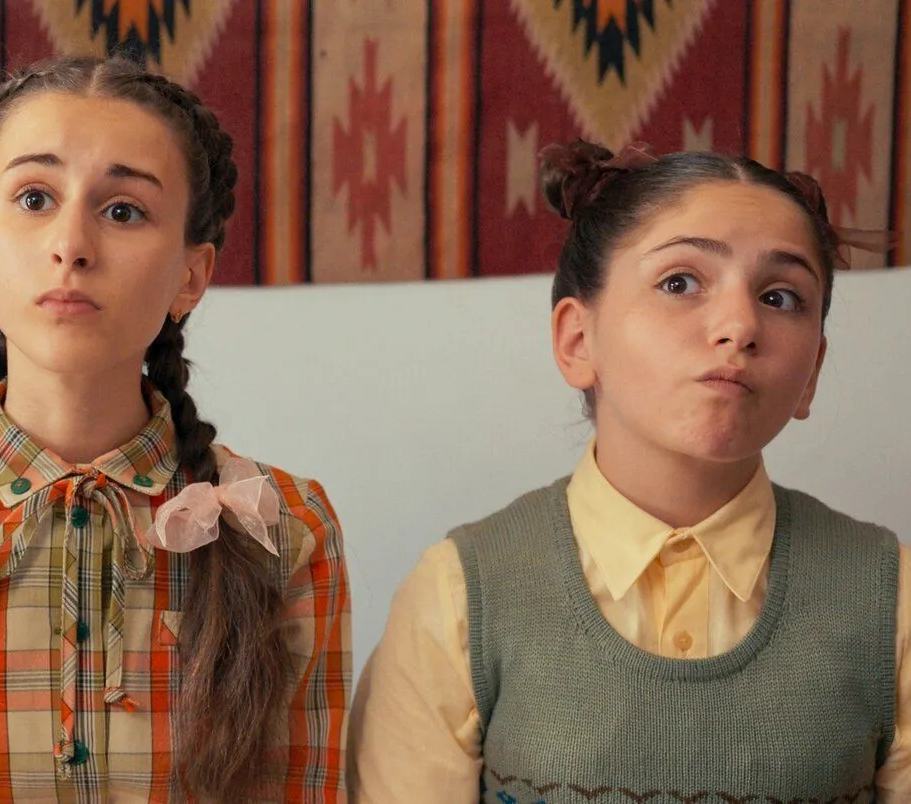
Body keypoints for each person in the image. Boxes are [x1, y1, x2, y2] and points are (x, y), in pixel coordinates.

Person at [0, 56, 352, 801]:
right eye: (34, 198)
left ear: (191, 276)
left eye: (122, 210)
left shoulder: (281, 531)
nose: (71, 245)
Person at [350, 141, 908, 801]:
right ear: (577, 340)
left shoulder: (891, 602)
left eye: (780, 297)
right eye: (679, 283)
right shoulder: (457, 597)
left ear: (811, 371)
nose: (739, 325)